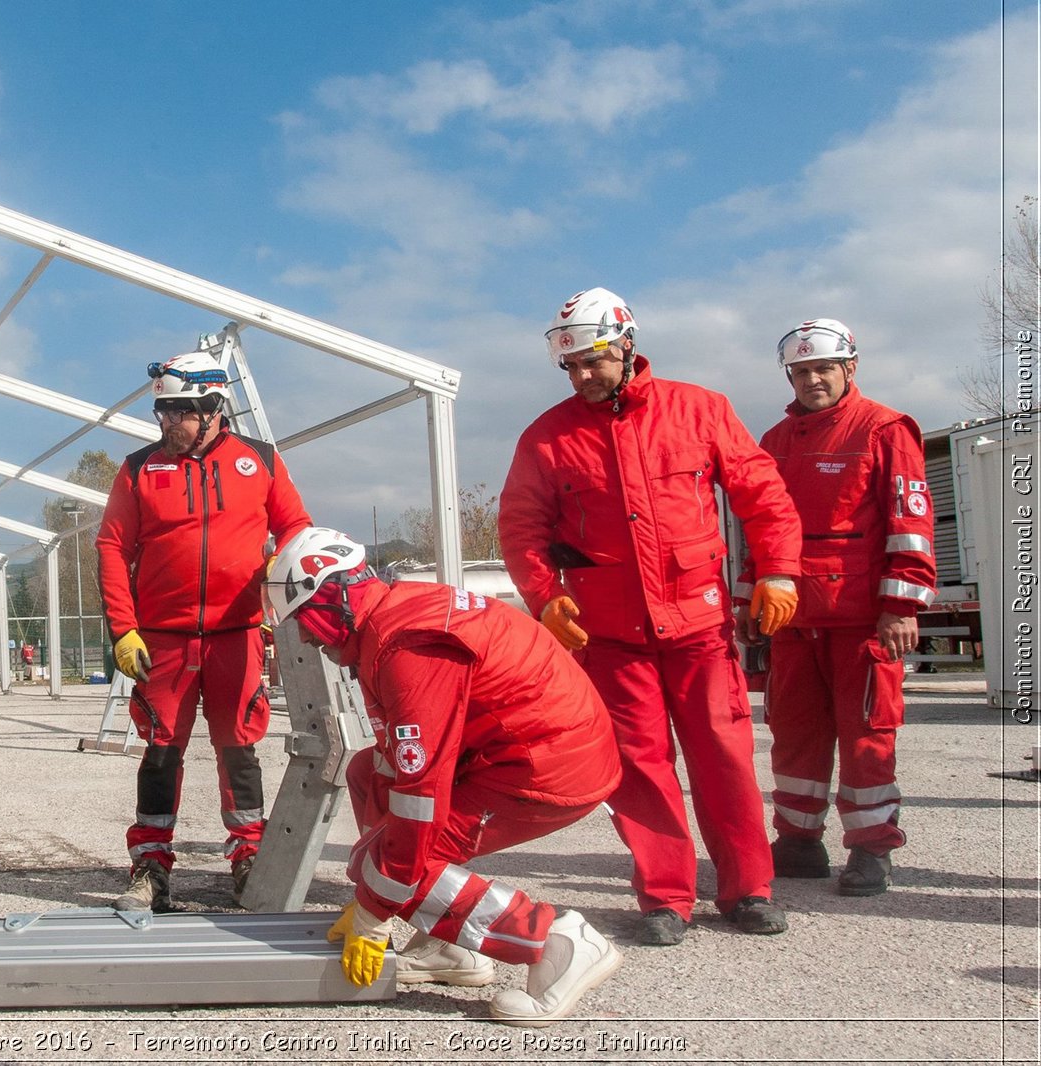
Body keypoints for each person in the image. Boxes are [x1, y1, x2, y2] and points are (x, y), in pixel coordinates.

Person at [499, 287, 804, 947]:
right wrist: (545, 597)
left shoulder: (701, 411)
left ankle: (748, 890)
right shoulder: (547, 439)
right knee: (639, 765)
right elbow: (521, 529)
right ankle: (666, 897)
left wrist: (777, 572)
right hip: (610, 639)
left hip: (700, 628)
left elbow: (764, 494)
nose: (581, 377)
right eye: (570, 367)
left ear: (627, 345)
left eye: (591, 362)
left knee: (723, 756)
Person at [265, 527, 623, 1025]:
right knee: (369, 775)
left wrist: (375, 908)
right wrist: (383, 890)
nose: (305, 636)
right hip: (525, 748)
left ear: (335, 596)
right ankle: (452, 946)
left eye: (305, 620)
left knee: (395, 860)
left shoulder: (407, 647)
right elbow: (395, 763)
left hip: (547, 766)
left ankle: (557, 940)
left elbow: (420, 794)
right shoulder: (392, 619)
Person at [97, 349, 312, 910]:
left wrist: (279, 583)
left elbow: (296, 529)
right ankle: (150, 866)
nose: (168, 424)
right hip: (161, 639)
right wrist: (123, 628)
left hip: (237, 635)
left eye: (180, 412)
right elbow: (112, 547)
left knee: (239, 749)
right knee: (161, 750)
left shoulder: (260, 460)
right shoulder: (139, 468)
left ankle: (249, 859)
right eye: (162, 413)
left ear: (216, 407)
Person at [738, 319, 935, 896]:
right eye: (801, 371)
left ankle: (872, 848)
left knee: (867, 733)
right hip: (794, 618)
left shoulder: (885, 429)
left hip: (861, 620)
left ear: (850, 368)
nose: (812, 380)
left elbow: (911, 524)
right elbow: (761, 531)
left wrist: (901, 605)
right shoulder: (773, 442)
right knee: (794, 732)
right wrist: (749, 600)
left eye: (823, 368)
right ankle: (798, 841)